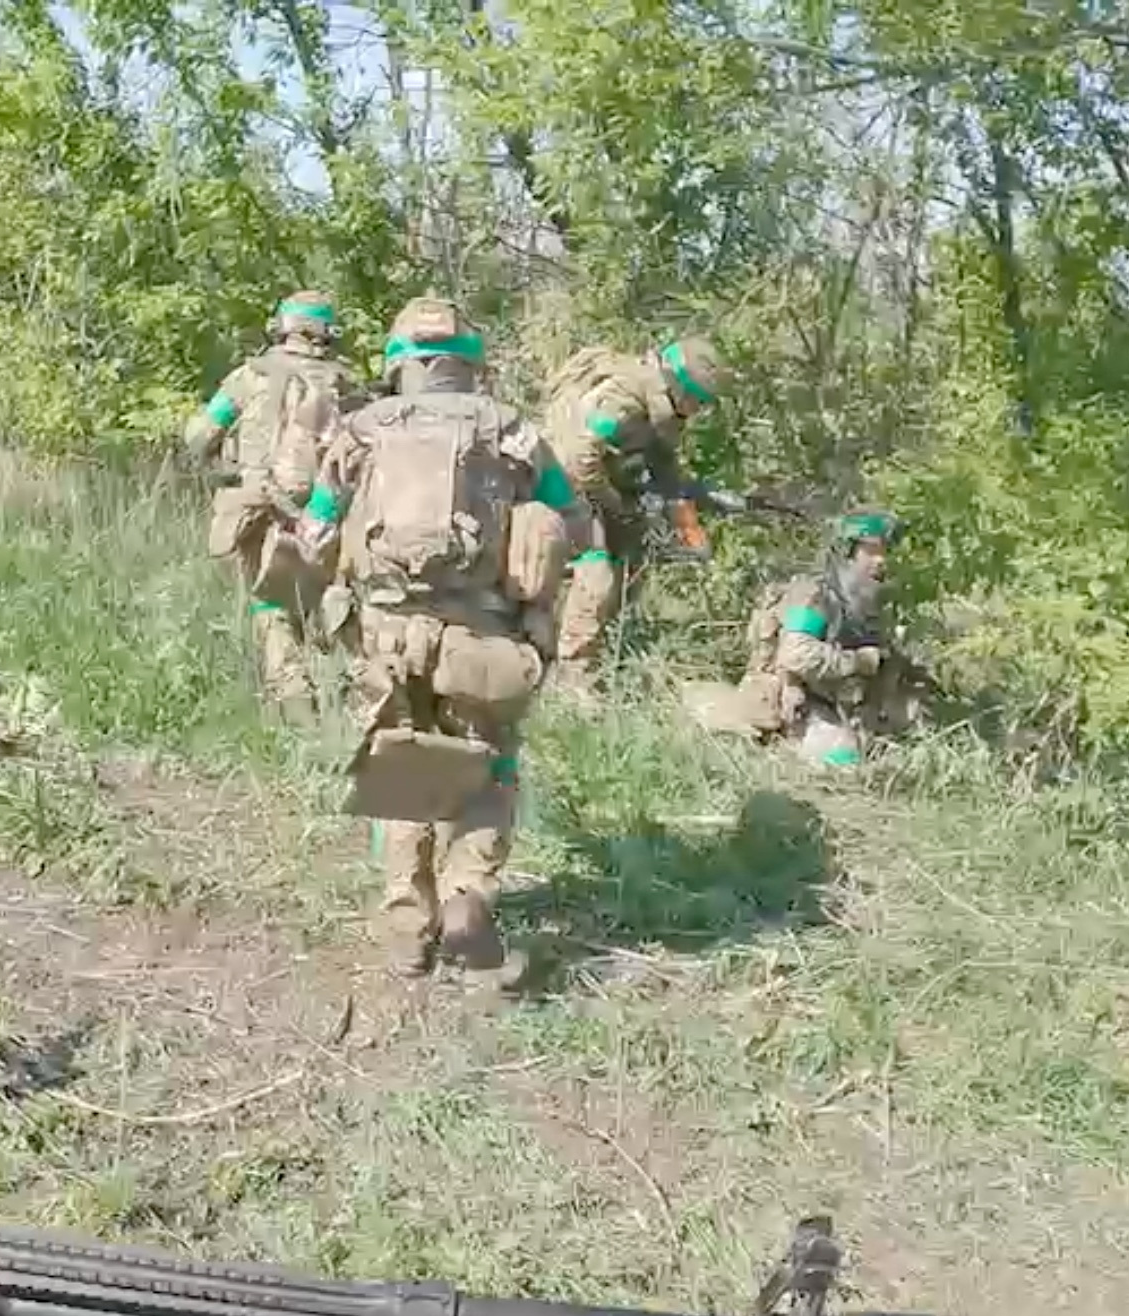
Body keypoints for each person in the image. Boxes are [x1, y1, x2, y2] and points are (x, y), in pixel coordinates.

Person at [294, 298, 584, 981]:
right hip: (483, 639)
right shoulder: (511, 428)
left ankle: (405, 920)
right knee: (490, 767)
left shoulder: (361, 430)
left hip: (385, 635)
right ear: (471, 364)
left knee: (399, 766)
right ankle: (468, 896)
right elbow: (574, 521)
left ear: (400, 364)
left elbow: (316, 527)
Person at [179, 290, 363, 717]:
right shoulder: (347, 385)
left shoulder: (251, 376)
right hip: (329, 512)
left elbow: (200, 436)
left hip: (262, 505)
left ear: (282, 326)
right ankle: (353, 689)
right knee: (329, 597)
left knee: (270, 601)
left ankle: (294, 697)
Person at [530, 334, 733, 686]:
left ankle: (603, 642)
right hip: (562, 479)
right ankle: (572, 679)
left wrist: (692, 532)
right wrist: (614, 501)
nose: (700, 410)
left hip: (597, 481)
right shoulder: (623, 398)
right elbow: (580, 457)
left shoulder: (663, 410)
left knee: (630, 560)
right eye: (698, 401)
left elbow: (667, 474)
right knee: (596, 573)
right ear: (679, 387)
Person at [685, 510, 918, 766]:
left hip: (843, 700)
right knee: (844, 758)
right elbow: (796, 654)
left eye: (884, 551)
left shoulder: (864, 601)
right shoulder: (814, 595)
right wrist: (857, 661)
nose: (881, 560)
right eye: (871, 551)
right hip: (800, 701)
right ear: (846, 553)